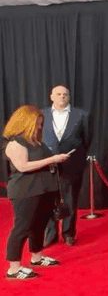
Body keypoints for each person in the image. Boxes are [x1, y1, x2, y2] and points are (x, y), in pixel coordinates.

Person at [3, 105, 71, 279]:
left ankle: (37, 257)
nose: (40, 127)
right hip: (25, 191)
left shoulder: (36, 141)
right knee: (22, 227)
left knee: (39, 225)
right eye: (37, 123)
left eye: (40, 123)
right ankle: (13, 268)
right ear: (25, 122)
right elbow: (23, 166)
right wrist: (52, 159)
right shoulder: (15, 143)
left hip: (44, 189)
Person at [41, 84, 90, 246]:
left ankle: (68, 233)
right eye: (58, 94)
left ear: (69, 97)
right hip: (47, 164)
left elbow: (87, 139)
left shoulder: (81, 115)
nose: (62, 97)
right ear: (51, 97)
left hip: (72, 164)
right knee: (48, 200)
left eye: (65, 94)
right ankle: (50, 234)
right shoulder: (41, 114)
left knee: (70, 199)